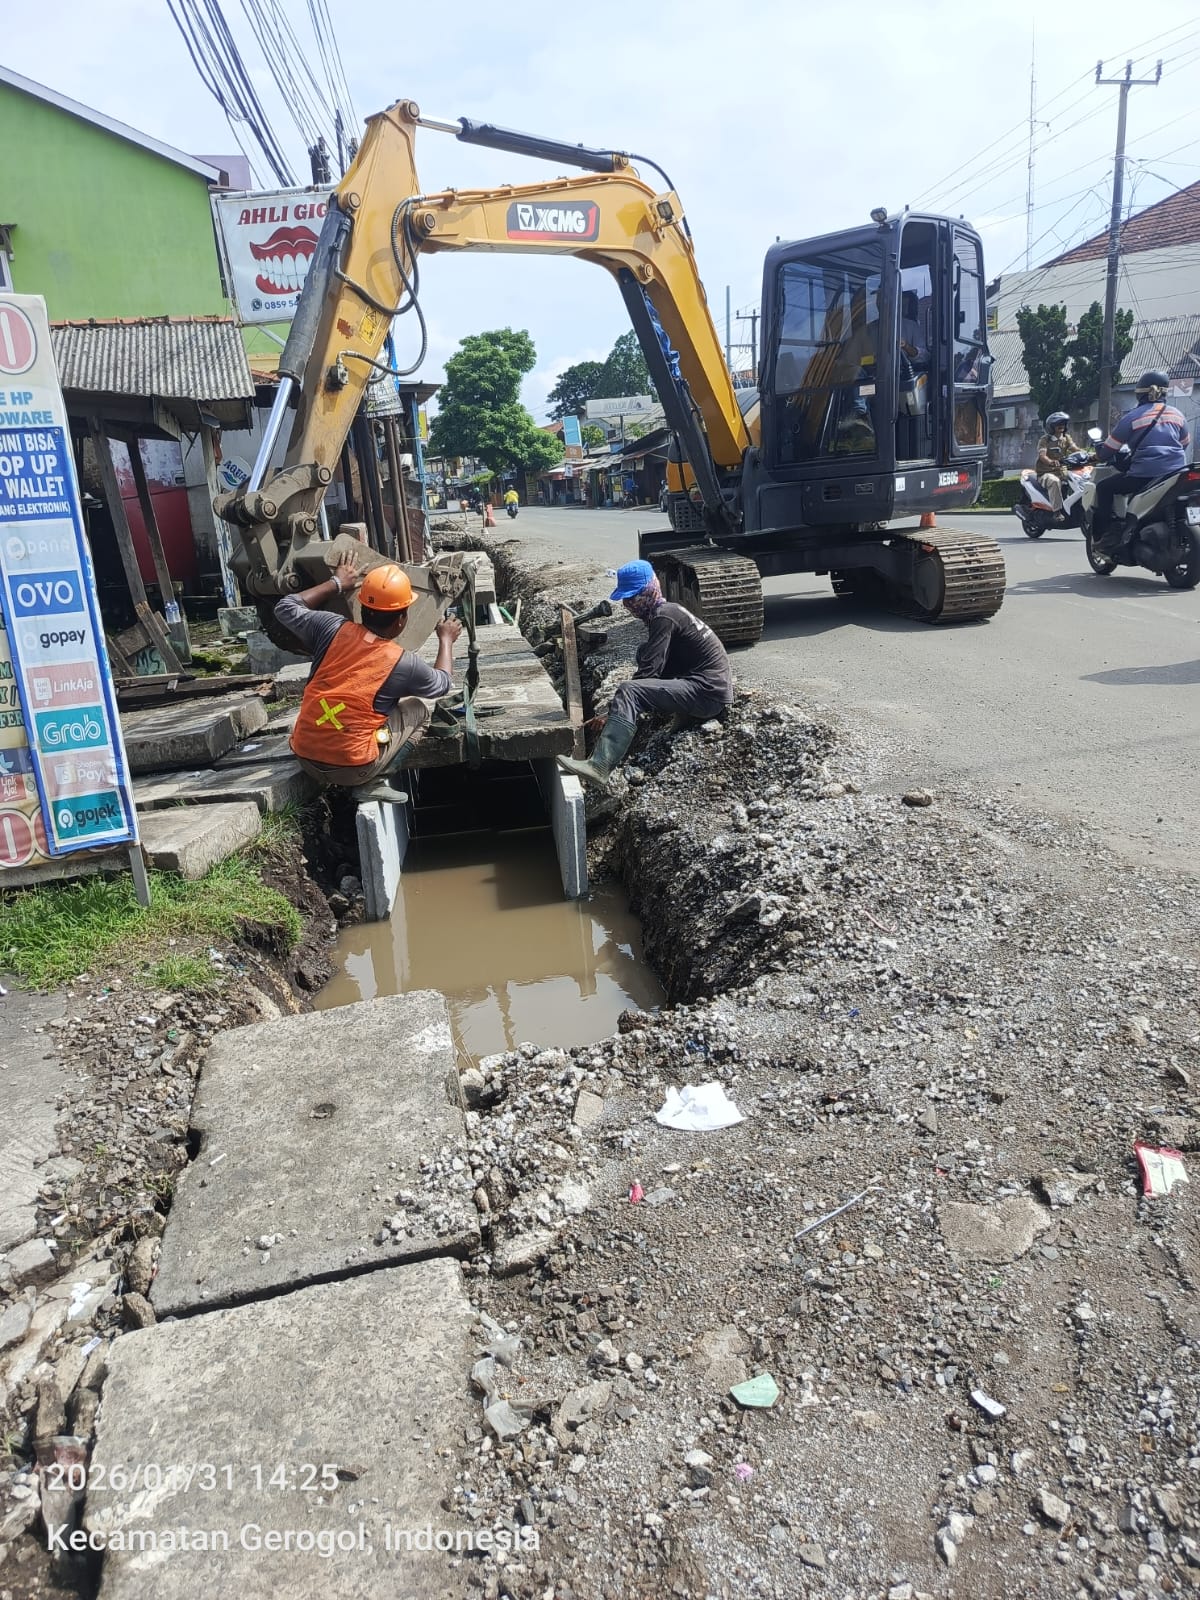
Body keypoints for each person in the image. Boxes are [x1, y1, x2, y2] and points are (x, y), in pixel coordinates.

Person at [278, 559, 462, 798]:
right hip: (354, 770)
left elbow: (285, 607)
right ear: (401, 620)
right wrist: (446, 640)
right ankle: (375, 781)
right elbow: (442, 684)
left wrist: (336, 583)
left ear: (361, 607)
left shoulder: (330, 627)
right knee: (418, 709)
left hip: (305, 758)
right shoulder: (402, 662)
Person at [558, 560, 733, 790]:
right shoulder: (668, 611)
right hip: (705, 687)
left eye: (634, 597)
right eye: (626, 599)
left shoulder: (663, 616)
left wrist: (612, 711)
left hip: (708, 693)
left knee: (629, 691)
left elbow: (649, 674)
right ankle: (683, 714)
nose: (629, 604)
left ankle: (599, 766)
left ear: (650, 590)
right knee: (644, 652)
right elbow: (653, 663)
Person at [1092, 371, 1191, 556]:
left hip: (1144, 474)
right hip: (1177, 472)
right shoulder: (1178, 415)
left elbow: (1107, 452)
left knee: (1104, 488)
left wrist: (1099, 451)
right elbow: (1185, 443)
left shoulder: (1132, 417)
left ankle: (1104, 536)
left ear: (1140, 393)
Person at [1033, 412, 1081, 517]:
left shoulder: (1066, 438)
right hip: (1046, 473)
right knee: (1054, 481)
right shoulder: (1045, 439)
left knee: (1080, 479)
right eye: (1058, 424)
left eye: (1063, 423)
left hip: (1062, 471)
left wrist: (1088, 454)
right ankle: (1057, 512)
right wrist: (1050, 462)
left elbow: (1075, 449)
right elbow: (1042, 455)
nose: (1061, 426)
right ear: (1051, 427)